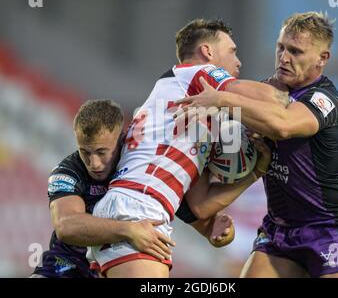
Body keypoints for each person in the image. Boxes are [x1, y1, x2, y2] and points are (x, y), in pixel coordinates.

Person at [175, 12, 338, 278]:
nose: (284, 58)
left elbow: (283, 125)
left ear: (322, 59)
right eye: (281, 47)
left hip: (328, 227)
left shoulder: (324, 99)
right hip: (279, 230)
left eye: (296, 51)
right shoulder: (265, 92)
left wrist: (222, 100)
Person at [87, 19, 272, 278]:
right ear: (208, 52)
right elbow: (268, 97)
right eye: (232, 51)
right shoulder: (196, 74)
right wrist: (299, 102)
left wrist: (255, 173)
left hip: (133, 208)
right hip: (139, 210)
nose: (239, 61)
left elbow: (200, 207)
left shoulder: (182, 106)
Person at [30, 99, 238, 278]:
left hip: (113, 269)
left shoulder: (145, 169)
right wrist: (128, 230)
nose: (93, 163)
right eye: (85, 152)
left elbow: (210, 229)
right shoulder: (68, 171)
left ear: (121, 138)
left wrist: (221, 232)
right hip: (65, 267)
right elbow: (67, 226)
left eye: (102, 152)